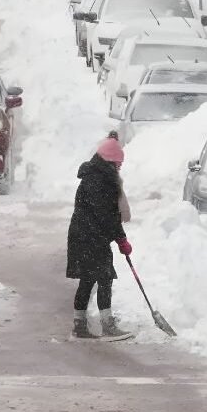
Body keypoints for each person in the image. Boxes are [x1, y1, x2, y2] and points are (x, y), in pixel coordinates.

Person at [66, 132, 133, 340]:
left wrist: (118, 237)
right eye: (118, 165)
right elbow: (107, 216)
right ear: (110, 162)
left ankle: (79, 326)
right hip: (91, 238)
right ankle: (107, 325)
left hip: (86, 236)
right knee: (104, 279)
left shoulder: (95, 176)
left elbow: (106, 216)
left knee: (88, 280)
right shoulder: (100, 181)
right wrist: (121, 239)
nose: (119, 168)